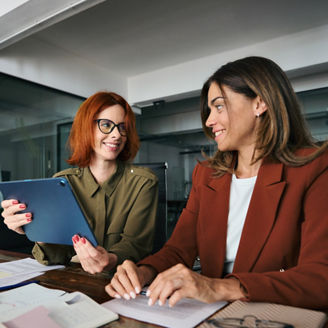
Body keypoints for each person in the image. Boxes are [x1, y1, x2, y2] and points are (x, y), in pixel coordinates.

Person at [105, 56, 328, 311]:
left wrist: (218, 287)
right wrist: (143, 271)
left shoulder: (314, 168)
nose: (209, 121)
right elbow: (179, 250)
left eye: (219, 106)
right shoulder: (206, 174)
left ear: (260, 103)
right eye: (209, 110)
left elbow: (321, 277)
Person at [1, 91, 158, 274]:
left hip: (123, 282)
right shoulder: (62, 182)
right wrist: (37, 230)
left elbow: (136, 245)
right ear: (86, 128)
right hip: (75, 281)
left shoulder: (143, 182)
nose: (117, 135)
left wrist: (110, 259)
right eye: (106, 125)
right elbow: (58, 254)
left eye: (122, 127)